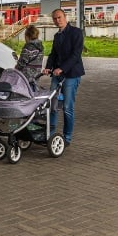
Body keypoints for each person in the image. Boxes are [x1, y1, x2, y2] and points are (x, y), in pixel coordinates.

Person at [42, 9, 85, 145]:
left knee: (67, 107)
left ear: (65, 17)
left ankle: (67, 138)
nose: (57, 20)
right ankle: (50, 134)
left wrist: (62, 68)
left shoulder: (76, 33)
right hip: (57, 75)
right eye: (54, 19)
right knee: (52, 105)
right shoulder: (57, 36)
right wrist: (49, 67)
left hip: (71, 75)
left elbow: (76, 54)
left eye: (59, 17)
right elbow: (53, 54)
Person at [15, 25, 44, 91]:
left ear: (27, 36)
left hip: (26, 76)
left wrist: (16, 67)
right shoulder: (40, 47)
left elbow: (22, 62)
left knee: (26, 95)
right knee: (33, 93)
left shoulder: (28, 47)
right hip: (36, 75)